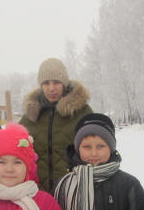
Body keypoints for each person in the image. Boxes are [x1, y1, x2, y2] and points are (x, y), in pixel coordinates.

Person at [20, 57, 92, 193]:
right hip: (37, 192)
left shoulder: (81, 112)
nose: (51, 88)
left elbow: (98, 147)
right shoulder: (31, 115)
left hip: (72, 190)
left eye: (56, 82)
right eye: (46, 83)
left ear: (64, 83)